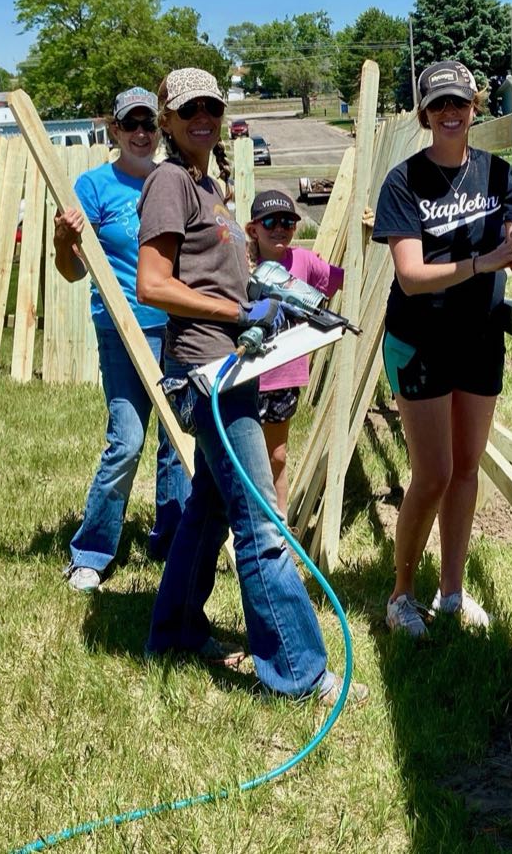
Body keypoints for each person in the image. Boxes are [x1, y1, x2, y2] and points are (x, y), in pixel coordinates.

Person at [136, 67, 367, 703]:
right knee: (260, 520)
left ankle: (175, 630)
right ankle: (297, 670)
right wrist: (241, 314)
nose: (202, 119)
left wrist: (279, 298)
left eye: (211, 106)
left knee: (208, 508)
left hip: (231, 367)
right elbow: (152, 286)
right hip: (207, 372)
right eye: (188, 112)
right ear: (168, 121)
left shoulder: (209, 186)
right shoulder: (168, 182)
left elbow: (222, 279)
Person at [372, 60, 512, 638]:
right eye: (439, 104)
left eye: (459, 101)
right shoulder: (404, 182)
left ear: (474, 106)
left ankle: (453, 592)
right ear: (424, 114)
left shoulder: (498, 175)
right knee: (431, 473)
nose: (451, 112)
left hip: (479, 338)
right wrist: (486, 261)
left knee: (465, 470)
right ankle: (400, 594)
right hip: (421, 340)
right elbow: (411, 274)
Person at [53, 86, 189, 593]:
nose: (140, 133)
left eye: (148, 124)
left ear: (160, 130)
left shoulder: (171, 181)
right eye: (129, 124)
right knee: (127, 440)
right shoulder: (93, 187)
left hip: (174, 327)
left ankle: (171, 538)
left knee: (177, 443)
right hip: (121, 329)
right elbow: (69, 271)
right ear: (113, 130)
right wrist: (63, 241)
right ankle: (91, 551)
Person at [246, 189, 344, 521]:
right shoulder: (241, 264)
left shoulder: (303, 261)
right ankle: (244, 522)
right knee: (245, 455)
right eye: (270, 221)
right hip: (246, 376)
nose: (280, 228)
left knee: (276, 455)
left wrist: (369, 236)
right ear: (253, 229)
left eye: (288, 221)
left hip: (284, 377)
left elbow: (341, 277)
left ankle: (280, 524)